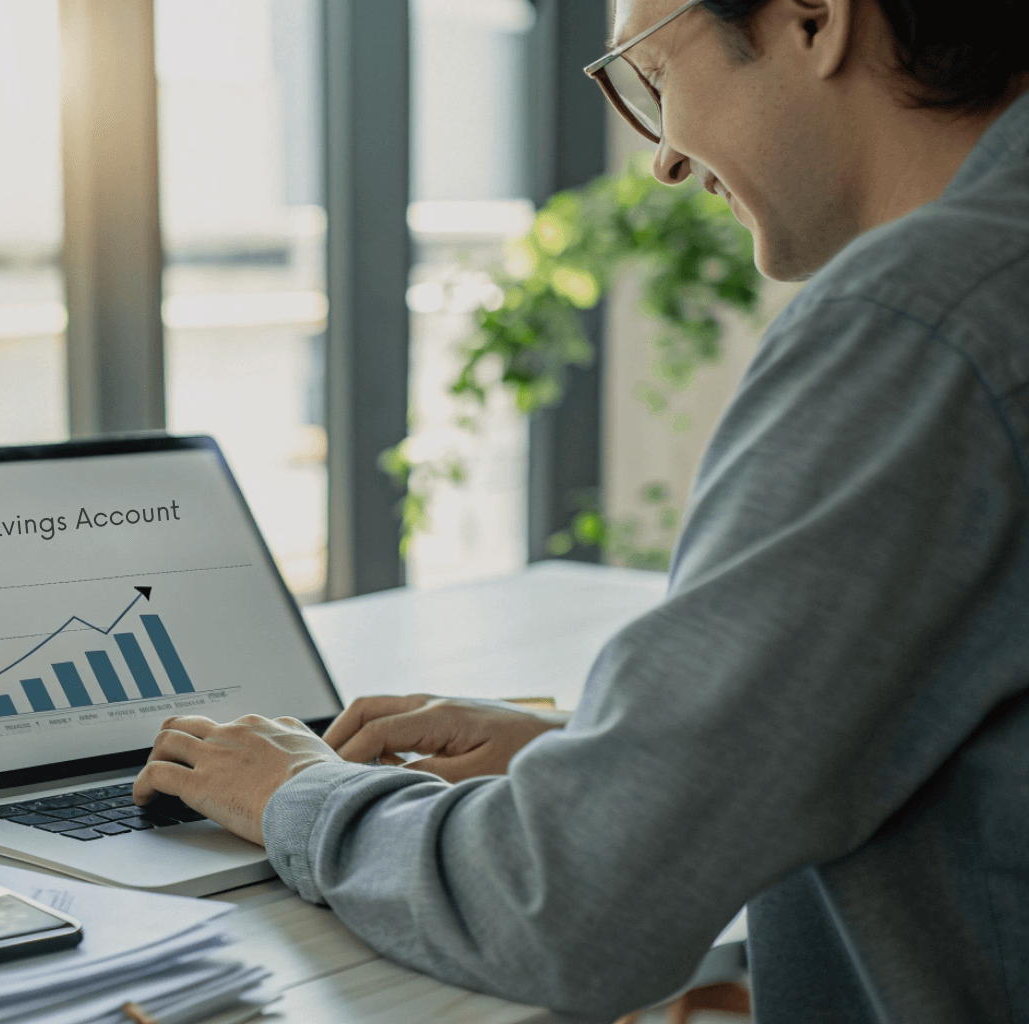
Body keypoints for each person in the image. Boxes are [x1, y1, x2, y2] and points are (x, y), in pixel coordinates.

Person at [131, 0, 1029, 1020]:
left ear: (814, 17)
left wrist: (294, 792)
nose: (663, 161)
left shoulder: (919, 326)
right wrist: (610, 754)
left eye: (650, 73)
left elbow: (567, 908)